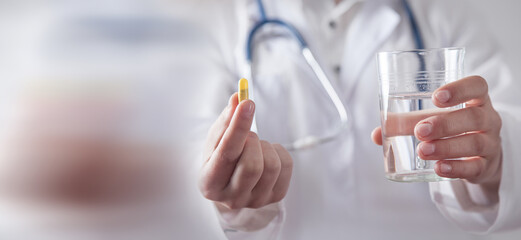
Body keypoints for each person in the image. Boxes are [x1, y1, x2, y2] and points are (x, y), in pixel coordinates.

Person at [196, 0, 521, 239]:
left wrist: (495, 160)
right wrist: (227, 196)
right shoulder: (222, 21)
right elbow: (187, 170)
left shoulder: (441, 12)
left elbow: (503, 124)